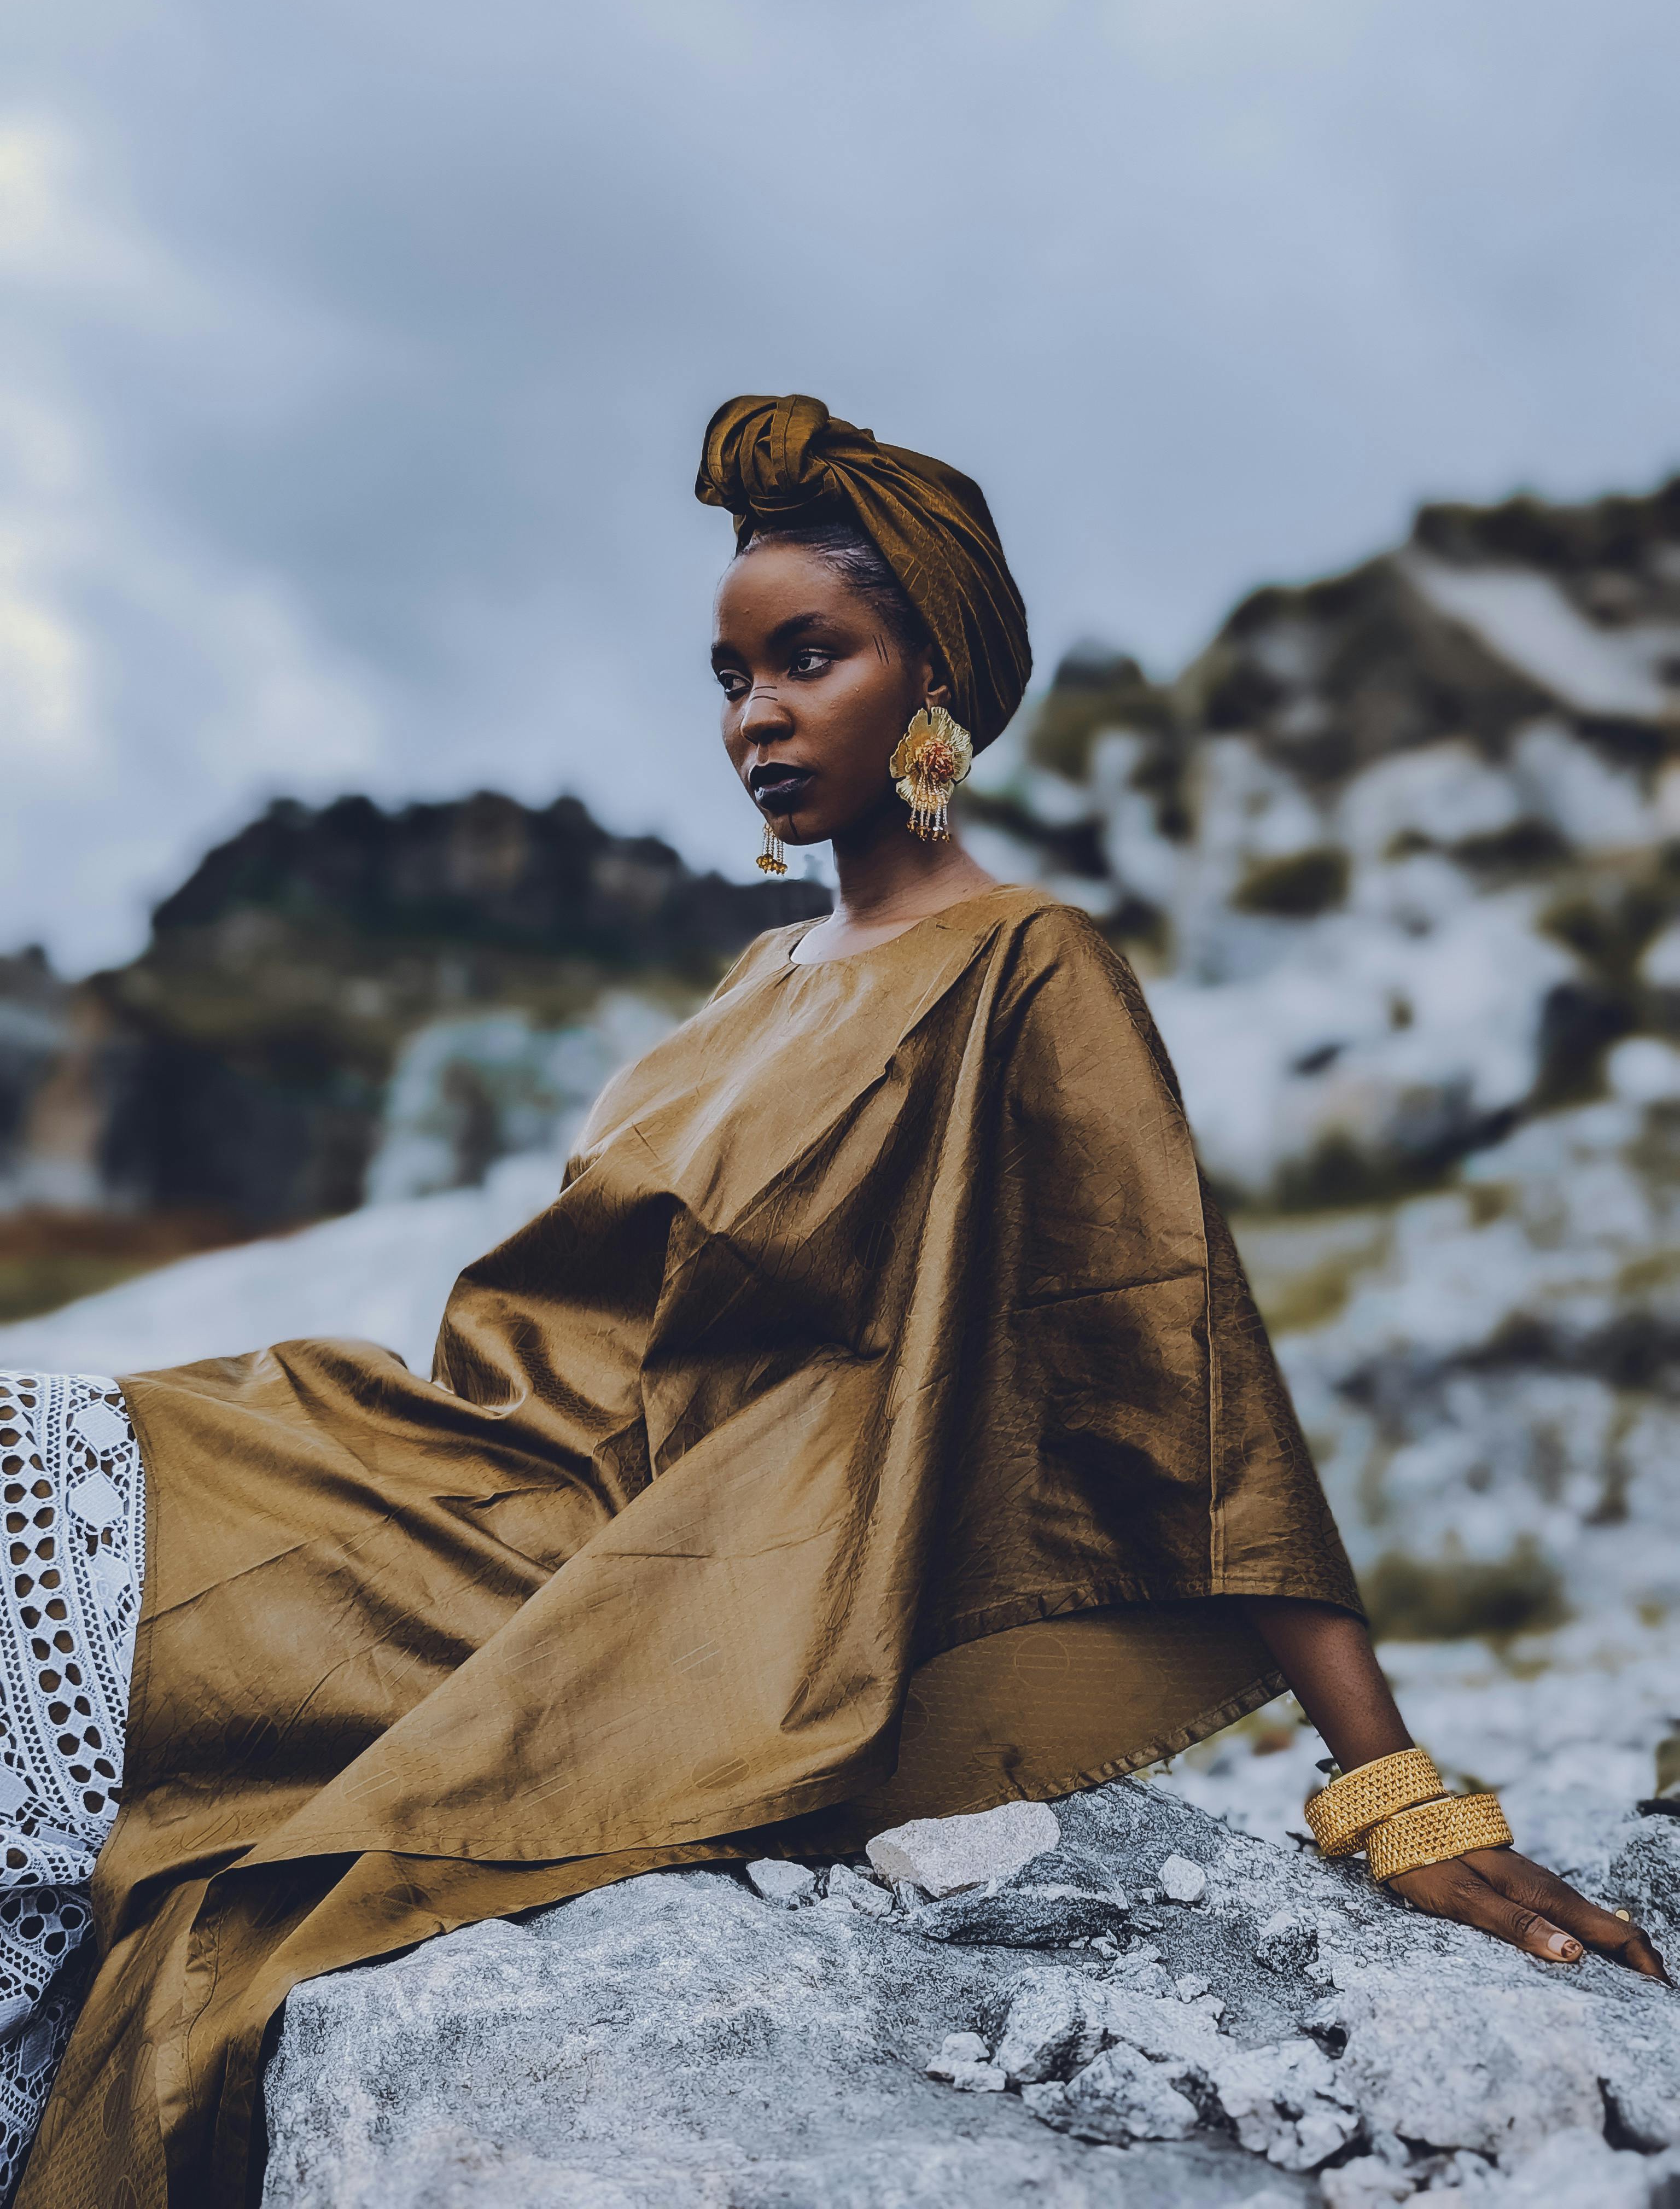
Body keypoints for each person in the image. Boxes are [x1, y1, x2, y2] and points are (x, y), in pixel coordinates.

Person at [0, 394, 1665, 2208]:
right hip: (447, 1458)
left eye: (811, 657)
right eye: (732, 676)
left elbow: (1184, 1363)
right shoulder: (750, 978)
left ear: (932, 674)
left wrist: (1395, 1792)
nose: (757, 716)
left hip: (641, 1579)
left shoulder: (1030, 967)